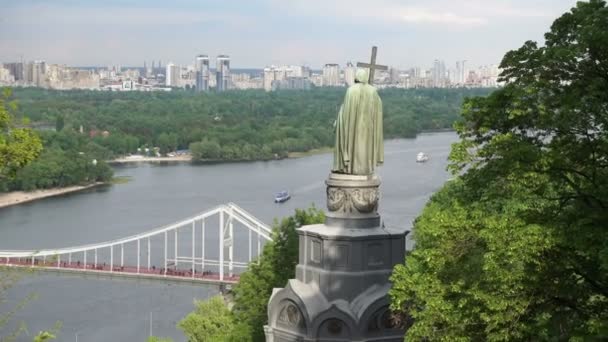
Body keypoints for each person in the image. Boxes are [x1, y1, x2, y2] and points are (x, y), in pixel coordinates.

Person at [333, 68, 384, 175]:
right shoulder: (373, 91)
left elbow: (345, 111)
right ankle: (366, 168)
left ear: (356, 77)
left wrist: (339, 121)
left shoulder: (351, 90)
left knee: (353, 145)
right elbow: (378, 108)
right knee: (365, 146)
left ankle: (350, 168)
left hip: (352, 126)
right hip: (368, 126)